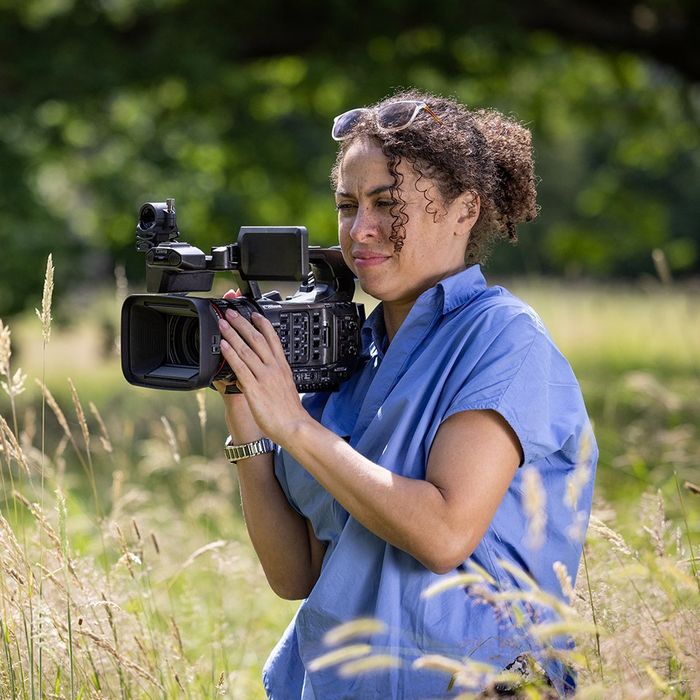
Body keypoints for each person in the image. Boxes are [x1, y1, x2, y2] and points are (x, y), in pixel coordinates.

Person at [215, 89, 597, 699]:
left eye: (386, 204)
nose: (360, 229)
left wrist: (293, 427)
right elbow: (296, 574)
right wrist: (250, 422)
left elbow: (444, 534)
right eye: (346, 205)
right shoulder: (346, 359)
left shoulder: (504, 340)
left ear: (463, 211)